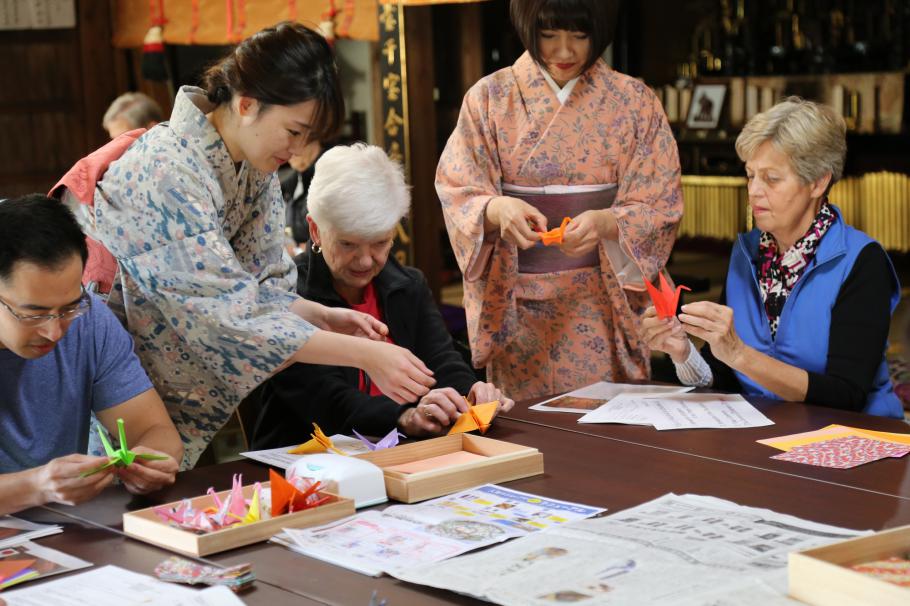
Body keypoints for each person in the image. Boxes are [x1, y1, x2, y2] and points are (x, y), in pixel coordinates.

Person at [56, 22, 434, 467]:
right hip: (115, 382)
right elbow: (226, 316)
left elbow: (263, 283)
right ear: (247, 103)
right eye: (293, 131)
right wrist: (365, 354)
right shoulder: (165, 170)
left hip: (173, 382)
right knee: (107, 508)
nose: (296, 152)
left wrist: (323, 317)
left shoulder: (254, 166)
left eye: (307, 137)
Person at [435, 0, 683, 400]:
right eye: (548, 35)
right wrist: (497, 209)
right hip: (516, 302)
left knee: (607, 428)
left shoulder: (634, 101)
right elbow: (458, 187)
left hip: (601, 300)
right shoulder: (489, 98)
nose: (564, 52)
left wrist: (606, 222)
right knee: (526, 430)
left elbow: (659, 202)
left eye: (579, 36)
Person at [642, 97, 903, 418]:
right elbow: (724, 375)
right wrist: (683, 353)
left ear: (818, 181)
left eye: (772, 178)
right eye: (751, 175)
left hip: (853, 440)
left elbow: (846, 395)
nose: (753, 191)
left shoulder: (862, 261)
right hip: (763, 434)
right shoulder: (747, 251)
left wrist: (739, 354)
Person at [252, 144, 515, 447]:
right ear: (315, 230)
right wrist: (404, 416)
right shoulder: (289, 295)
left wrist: (470, 391)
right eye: (348, 244)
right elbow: (327, 401)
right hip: (307, 462)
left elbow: (441, 362)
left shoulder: (407, 285)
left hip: (403, 454)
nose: (365, 261)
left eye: (379, 243)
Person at [0, 195, 182, 515]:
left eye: (69, 306)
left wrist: (149, 465)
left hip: (61, 532)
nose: (55, 332)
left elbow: (157, 432)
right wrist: (36, 486)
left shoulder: (90, 320)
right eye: (34, 314)